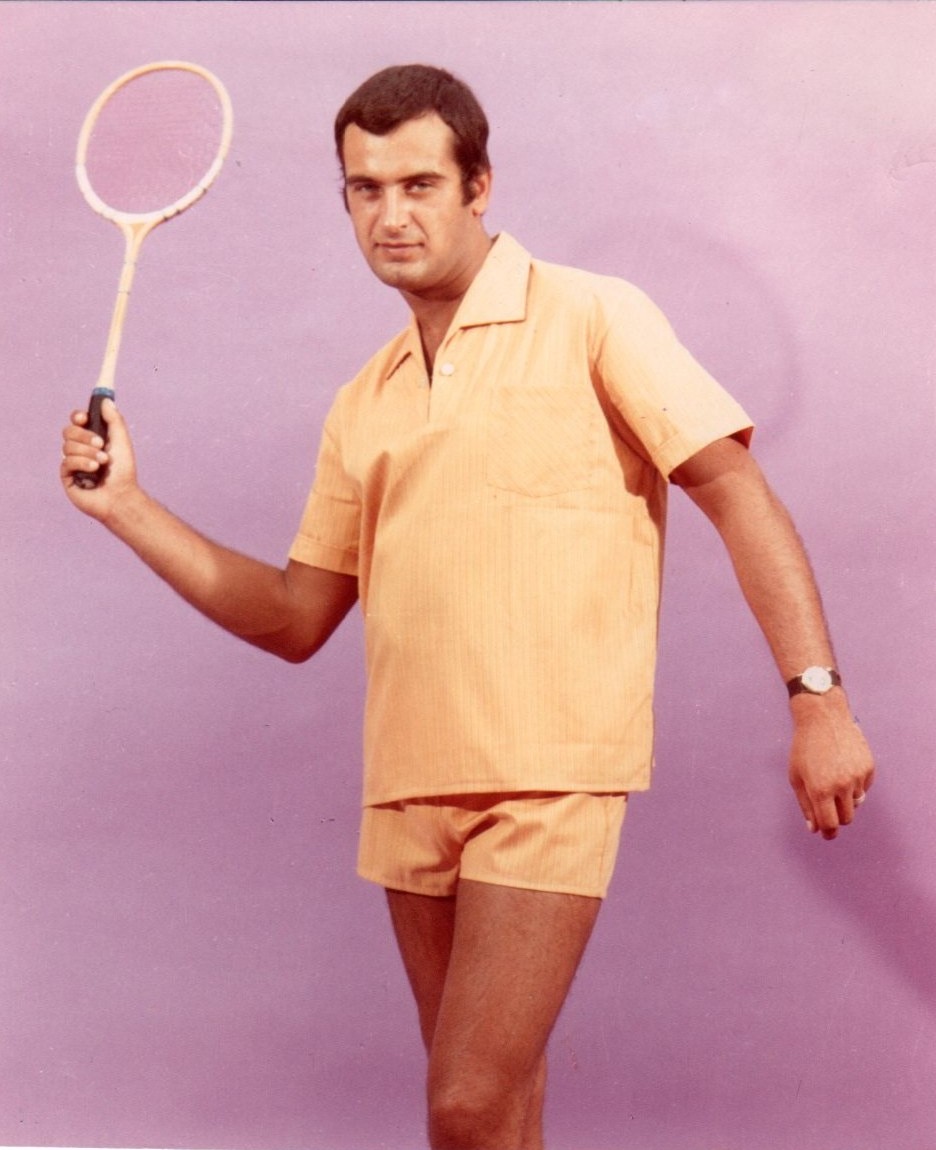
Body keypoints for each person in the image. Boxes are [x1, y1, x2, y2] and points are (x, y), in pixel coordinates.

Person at [61, 64, 875, 1150]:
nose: (391, 215)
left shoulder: (592, 315)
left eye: (419, 185)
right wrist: (127, 507)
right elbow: (296, 616)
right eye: (366, 189)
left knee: (466, 1106)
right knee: (496, 1123)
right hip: (407, 787)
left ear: (478, 185)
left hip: (546, 779)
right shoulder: (365, 398)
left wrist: (818, 698)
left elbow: (735, 490)